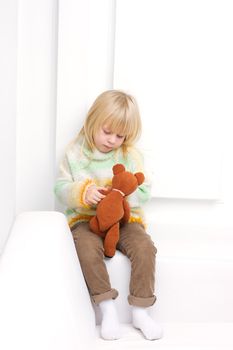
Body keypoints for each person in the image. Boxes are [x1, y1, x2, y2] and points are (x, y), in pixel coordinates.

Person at [54, 90, 163, 341]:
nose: (113, 140)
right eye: (107, 131)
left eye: (120, 135)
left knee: (145, 247)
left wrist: (121, 196)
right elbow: (60, 188)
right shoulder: (75, 153)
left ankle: (140, 310)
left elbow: (144, 191)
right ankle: (106, 307)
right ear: (93, 121)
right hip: (86, 220)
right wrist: (84, 192)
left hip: (125, 220)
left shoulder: (129, 155)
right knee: (84, 248)